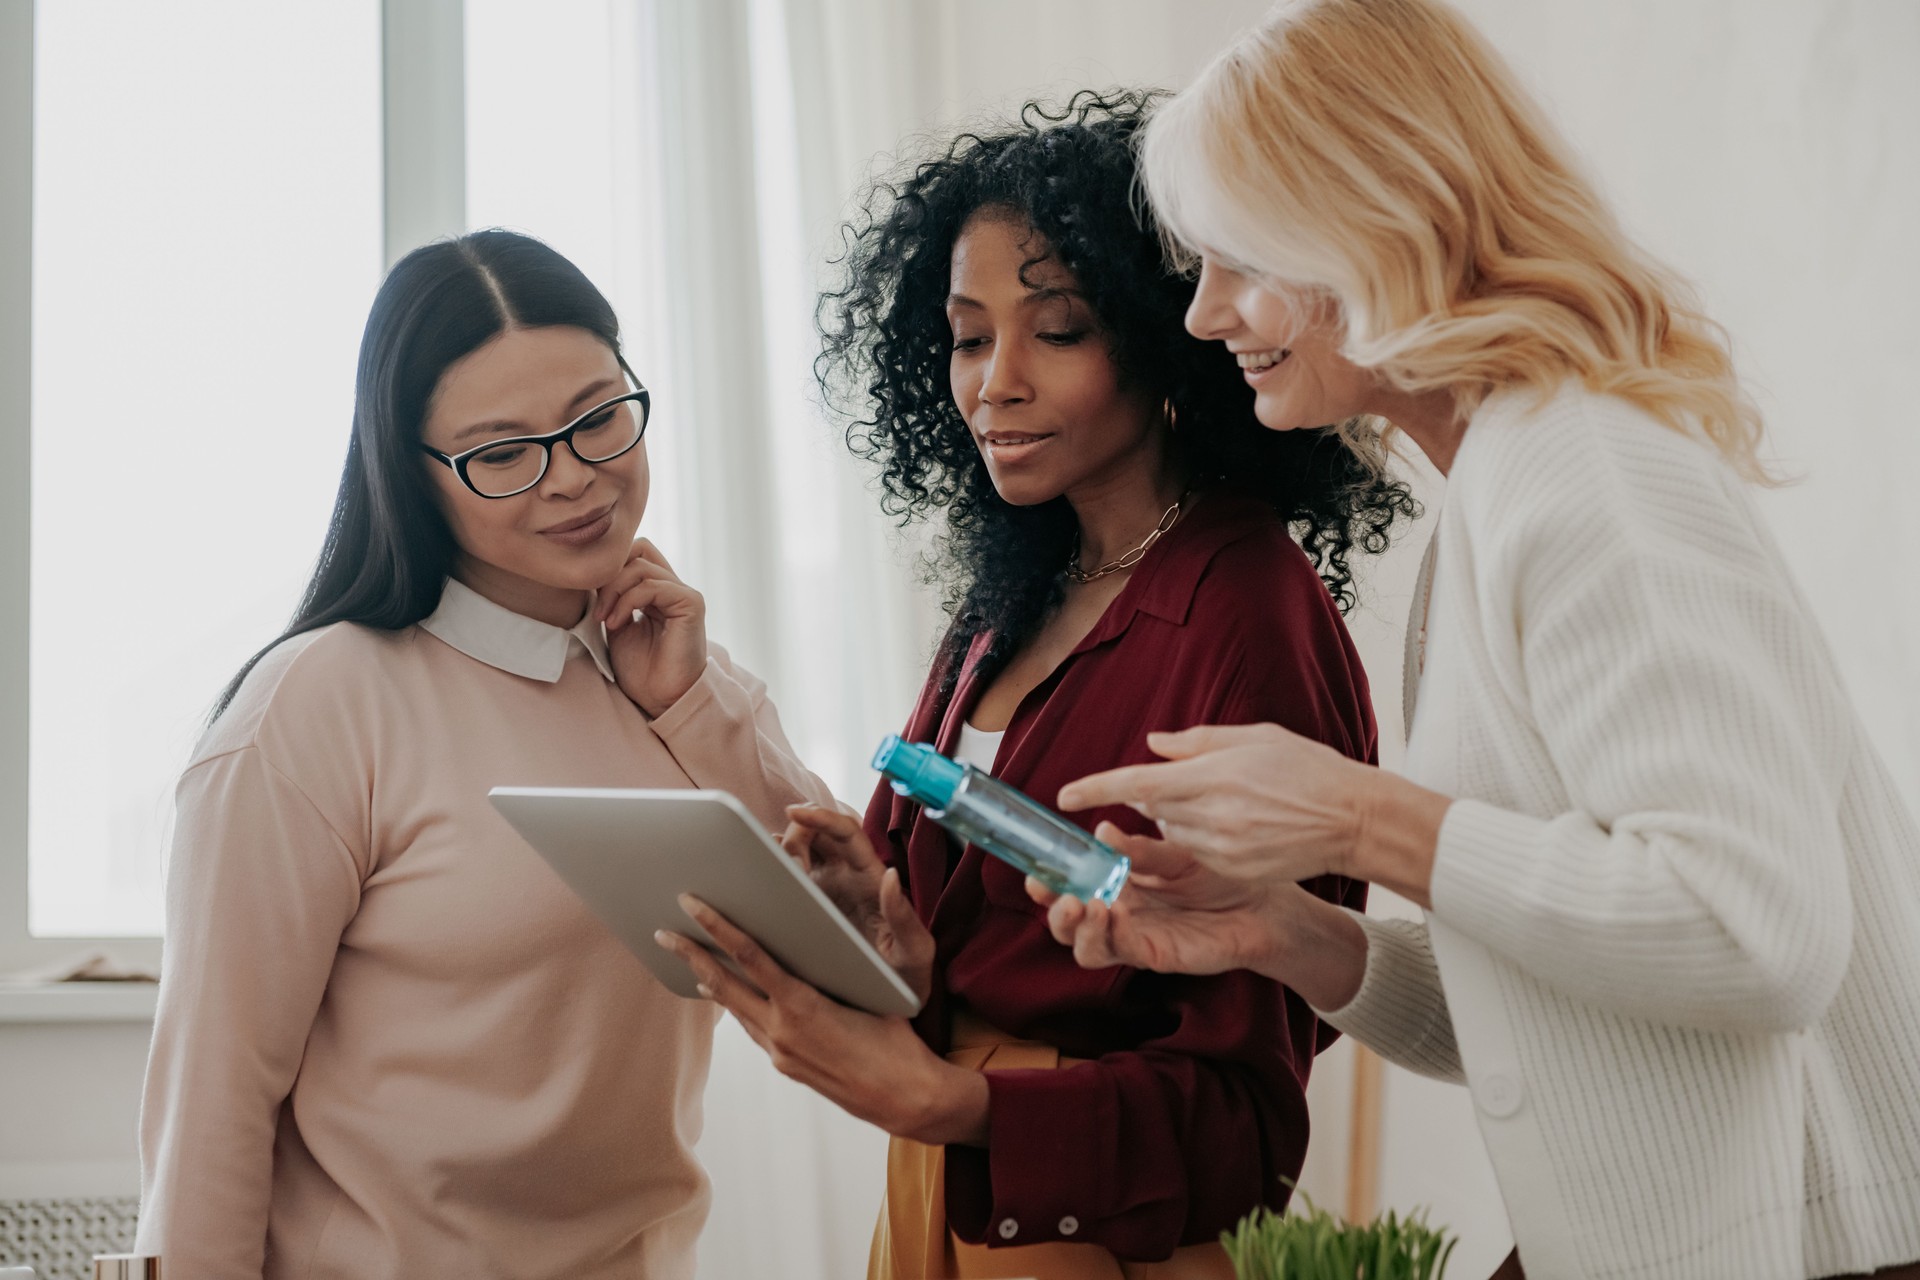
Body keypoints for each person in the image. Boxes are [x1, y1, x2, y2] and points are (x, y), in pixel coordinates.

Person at [1036, 5, 1920, 1279]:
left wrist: (1357, 818)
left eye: (1237, 258)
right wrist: (1275, 931)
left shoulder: (1589, 476)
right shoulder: (1501, 488)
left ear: (1374, 216)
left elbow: (1757, 932)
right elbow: (1548, 992)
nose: (1207, 314)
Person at [654, 92, 1415, 1279]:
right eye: (967, 336)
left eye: (1054, 328)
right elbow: (950, 965)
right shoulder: (1005, 603)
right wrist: (890, 939)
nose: (993, 383)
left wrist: (968, 1104)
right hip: (944, 1211)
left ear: (1164, 342)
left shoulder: (1247, 613)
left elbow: (1248, 1123)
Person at [136, 230, 835, 1279]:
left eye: (600, 417)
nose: (574, 479)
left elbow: (846, 946)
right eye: (503, 452)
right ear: (412, 475)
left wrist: (690, 704)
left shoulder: (677, 672)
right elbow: (213, 1100)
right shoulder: (318, 705)